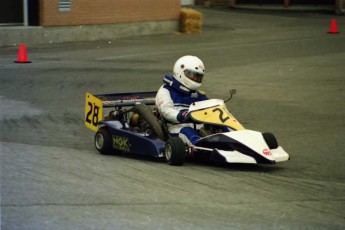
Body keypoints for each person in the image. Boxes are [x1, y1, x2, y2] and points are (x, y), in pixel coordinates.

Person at [155, 55, 208, 146]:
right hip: (177, 127)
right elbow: (166, 111)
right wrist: (183, 115)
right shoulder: (166, 90)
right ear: (180, 72)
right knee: (189, 133)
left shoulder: (197, 94)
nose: (196, 79)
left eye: (198, 76)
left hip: (199, 128)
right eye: (193, 75)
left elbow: (210, 106)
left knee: (223, 127)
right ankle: (202, 148)